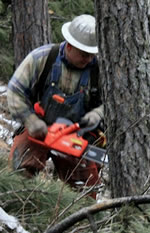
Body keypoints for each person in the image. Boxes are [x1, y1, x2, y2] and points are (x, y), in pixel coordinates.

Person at [7, 14, 104, 194]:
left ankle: (79, 219)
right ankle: (18, 212)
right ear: (69, 46)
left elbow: (112, 103)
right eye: (84, 55)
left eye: (92, 55)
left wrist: (97, 114)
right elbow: (15, 91)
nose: (89, 59)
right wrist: (31, 121)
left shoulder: (98, 70)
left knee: (85, 188)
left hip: (75, 136)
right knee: (19, 171)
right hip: (40, 128)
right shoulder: (42, 58)